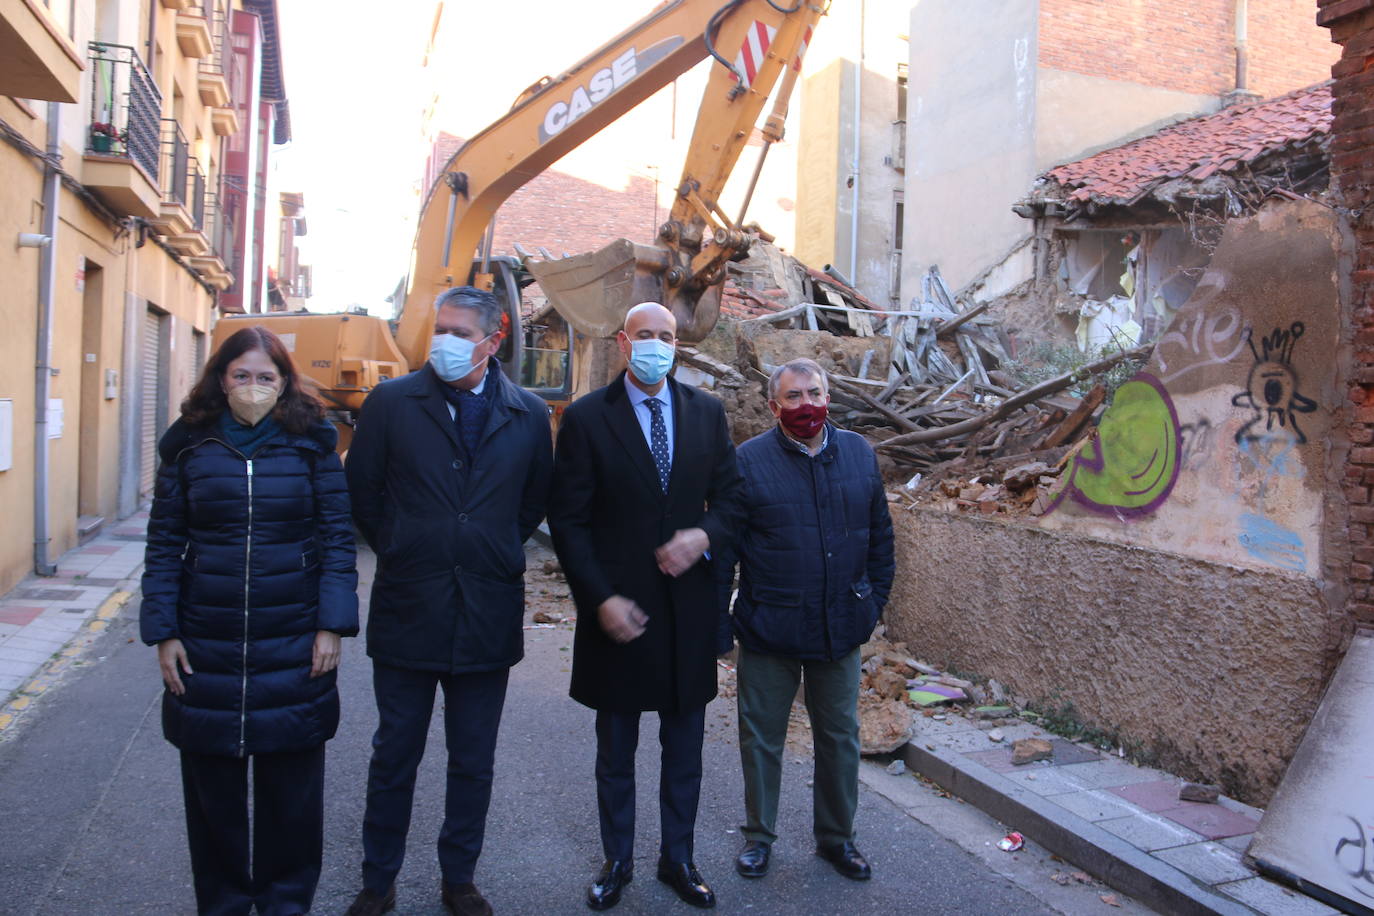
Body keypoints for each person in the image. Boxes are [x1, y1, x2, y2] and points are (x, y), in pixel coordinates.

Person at [343, 286, 553, 916]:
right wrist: (410, 547)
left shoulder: (528, 415)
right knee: (394, 756)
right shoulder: (391, 403)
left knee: (473, 760)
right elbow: (366, 496)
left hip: (486, 610)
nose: (446, 342)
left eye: (461, 332)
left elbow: (531, 502)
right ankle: (377, 882)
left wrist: (482, 549)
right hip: (410, 605)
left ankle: (458, 878)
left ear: (494, 340)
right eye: (443, 329)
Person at [140, 325, 359, 916]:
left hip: (294, 639)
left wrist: (331, 625)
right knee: (215, 801)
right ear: (221, 378)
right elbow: (164, 543)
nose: (254, 387)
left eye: (267, 376)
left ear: (285, 381)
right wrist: (163, 632)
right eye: (242, 375)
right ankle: (226, 905)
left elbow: (338, 539)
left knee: (292, 798)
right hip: (204, 643)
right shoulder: (187, 443)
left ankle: (287, 905)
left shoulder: (312, 441)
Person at [548, 302, 745, 911]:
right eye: (645, 336)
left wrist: (703, 534)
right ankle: (618, 860)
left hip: (687, 613)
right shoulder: (586, 419)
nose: (657, 345)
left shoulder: (707, 414)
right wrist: (599, 599)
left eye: (667, 336)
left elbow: (733, 498)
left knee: (684, 749)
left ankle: (678, 859)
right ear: (623, 343)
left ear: (677, 346)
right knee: (617, 751)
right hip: (619, 613)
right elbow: (569, 522)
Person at [718, 357, 894, 883]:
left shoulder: (859, 455)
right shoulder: (747, 462)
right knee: (761, 737)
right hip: (769, 627)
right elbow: (726, 549)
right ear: (774, 406)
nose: (806, 405)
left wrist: (870, 603)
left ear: (829, 397)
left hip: (840, 626)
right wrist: (720, 622)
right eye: (793, 397)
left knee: (839, 737)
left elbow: (881, 540)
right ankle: (758, 839)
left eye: (814, 393)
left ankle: (838, 840)